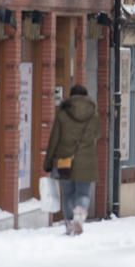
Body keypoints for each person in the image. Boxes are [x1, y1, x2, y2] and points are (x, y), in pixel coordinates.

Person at [44, 85, 101, 236]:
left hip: (64, 160)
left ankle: (70, 222)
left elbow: (54, 139)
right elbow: (98, 133)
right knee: (83, 193)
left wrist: (48, 161)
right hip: (86, 162)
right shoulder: (93, 114)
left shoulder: (62, 114)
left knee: (68, 193)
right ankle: (79, 216)